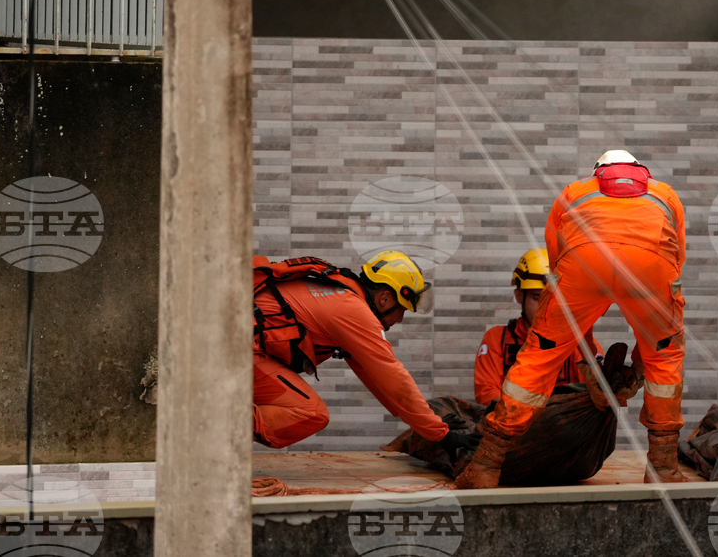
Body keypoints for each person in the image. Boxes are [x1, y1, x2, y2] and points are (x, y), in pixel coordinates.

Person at [456, 150, 687, 487]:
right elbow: (675, 261)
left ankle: (485, 465)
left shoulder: (575, 191)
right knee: (665, 356)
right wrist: (640, 366)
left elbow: (556, 261)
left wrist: (582, 311)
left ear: (598, 173)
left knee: (539, 356)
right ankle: (663, 469)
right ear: (640, 172)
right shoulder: (665, 194)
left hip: (582, 265)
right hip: (652, 267)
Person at [252, 250, 478, 456]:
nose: (399, 319)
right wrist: (442, 435)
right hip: (239, 349)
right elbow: (393, 377)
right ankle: (220, 432)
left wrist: (428, 419)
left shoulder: (342, 294)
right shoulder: (352, 311)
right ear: (385, 298)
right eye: (401, 310)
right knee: (310, 413)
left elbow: (377, 377)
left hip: (238, 344)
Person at [473, 248, 601, 406]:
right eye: (538, 298)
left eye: (554, 300)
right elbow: (486, 394)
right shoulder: (497, 340)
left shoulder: (579, 344)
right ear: (520, 296)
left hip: (566, 428)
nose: (546, 308)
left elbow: (599, 393)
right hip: (510, 427)